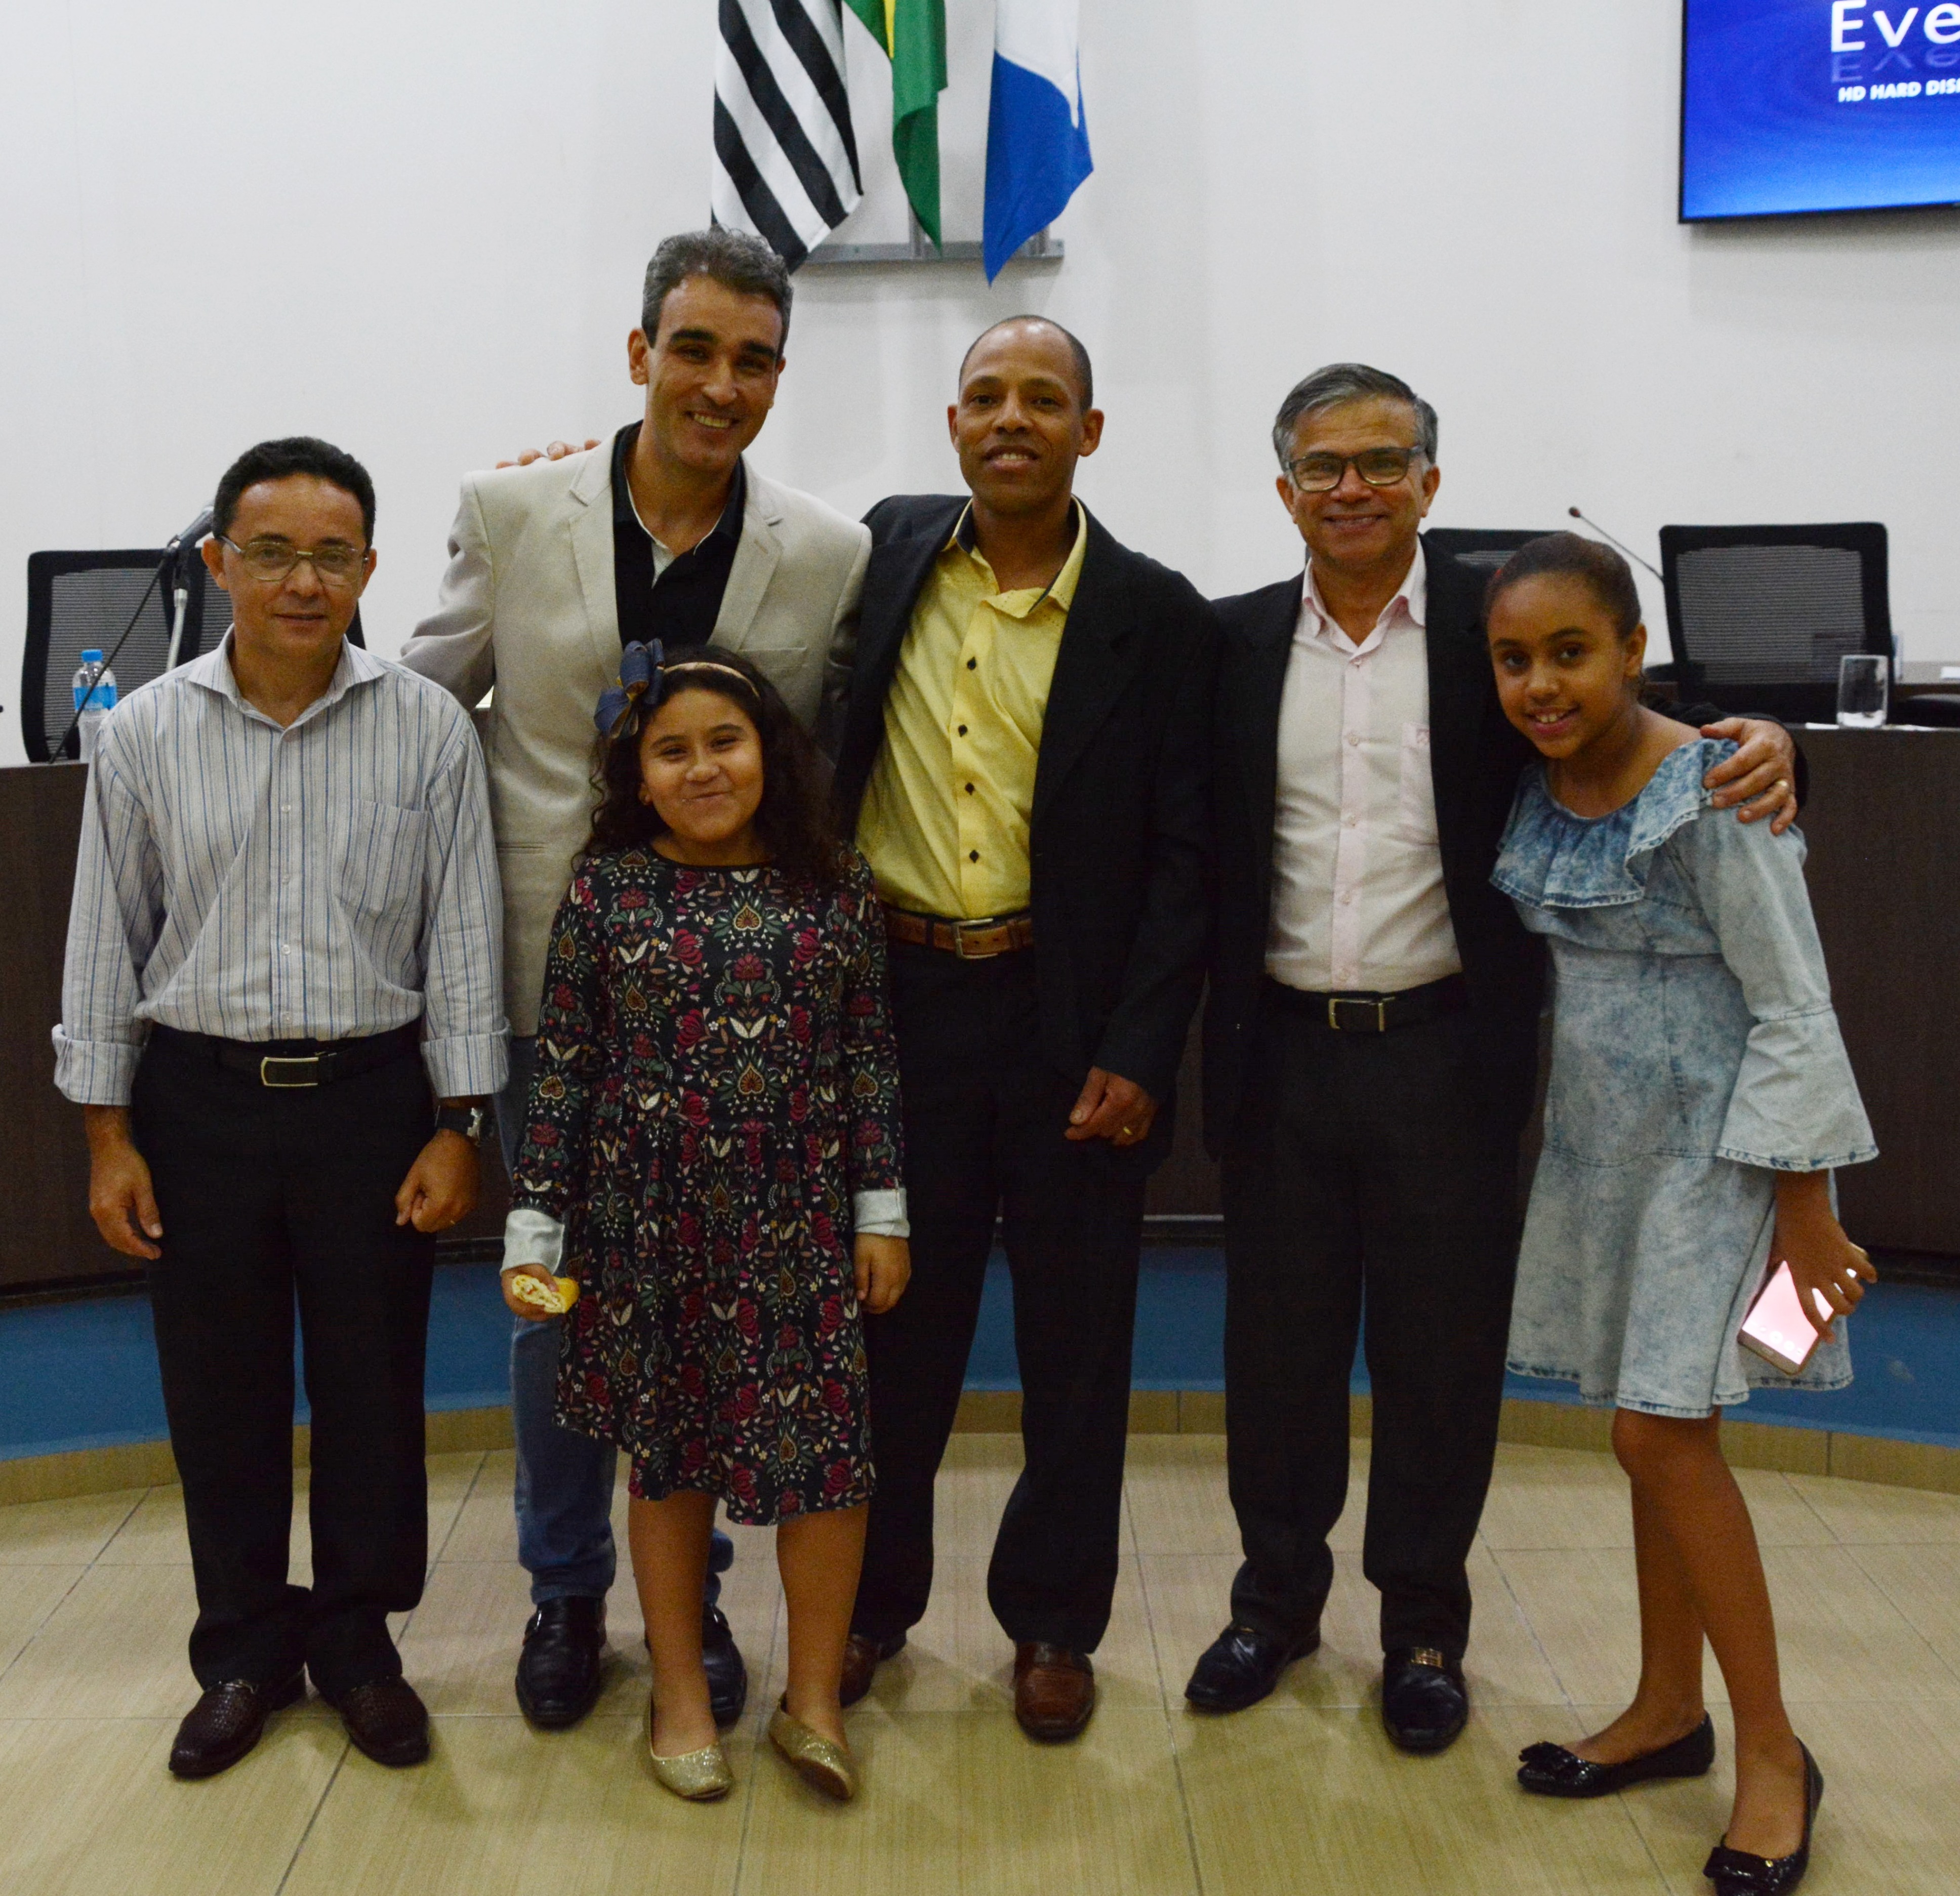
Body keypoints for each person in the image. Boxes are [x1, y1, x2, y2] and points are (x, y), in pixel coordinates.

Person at [1192, 363, 1805, 1754]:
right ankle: (1274, 1605)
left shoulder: (1499, 636)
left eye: (1383, 461)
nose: (1353, 487)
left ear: (1431, 481)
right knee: (1277, 1358)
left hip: (1445, 1054)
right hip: (1275, 1055)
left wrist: (1774, 746)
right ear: (1283, 489)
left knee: (1439, 1359)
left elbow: (1645, 729)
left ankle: (1424, 1628)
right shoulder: (1225, 643)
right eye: (1324, 465)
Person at [398, 228, 871, 1733]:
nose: (720, 384)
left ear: (777, 378)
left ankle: (695, 1598)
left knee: (709, 1313)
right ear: (639, 353)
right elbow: (419, 710)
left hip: (731, 1017)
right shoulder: (510, 508)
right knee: (556, 1303)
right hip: (552, 982)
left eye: (753, 360)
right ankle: (564, 1590)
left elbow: (808, 773)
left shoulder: (829, 552)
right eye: (694, 349)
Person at [55, 436, 507, 1778]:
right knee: (221, 1391)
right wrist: (107, 1136)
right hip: (198, 1104)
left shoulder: (428, 726)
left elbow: (463, 938)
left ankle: (360, 1644)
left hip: (373, 1103)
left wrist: (460, 1122)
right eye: (271, 553)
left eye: (331, 555)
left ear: (368, 567)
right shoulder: (143, 732)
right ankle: (244, 1649)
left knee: (373, 1386)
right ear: (219, 562)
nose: (303, 581)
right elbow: (105, 940)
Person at [829, 316, 1215, 1742]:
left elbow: (1189, 858)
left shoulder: (1156, 615)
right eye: (985, 396)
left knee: (1077, 1344)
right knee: (894, 1331)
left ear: (1089, 432)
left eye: (1043, 399)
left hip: (1073, 1026)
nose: (1011, 419)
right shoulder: (879, 557)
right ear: (952, 425)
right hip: (900, 1007)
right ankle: (868, 1603)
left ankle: (1054, 1622)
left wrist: (1140, 1045)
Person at [1486, 533, 1874, 1894]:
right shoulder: (1534, 782)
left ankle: (1772, 1749)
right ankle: (1665, 1707)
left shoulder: (1714, 786)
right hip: (1605, 1157)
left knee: (1661, 1431)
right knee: (1650, 1433)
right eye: (1513, 660)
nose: (1541, 683)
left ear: (1635, 650)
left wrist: (1807, 1218)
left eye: (1569, 652)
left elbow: (1793, 1003)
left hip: (1731, 1160)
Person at [502, 643, 908, 1802]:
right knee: (668, 1461)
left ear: (769, 752)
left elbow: (870, 1060)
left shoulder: (835, 885)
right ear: (637, 776)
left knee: (827, 1467)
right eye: (670, 750)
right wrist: (536, 1233)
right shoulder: (605, 890)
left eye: (724, 741)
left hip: (801, 1232)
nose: (701, 768)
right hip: (647, 1232)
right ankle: (679, 1693)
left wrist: (882, 1214)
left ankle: (813, 1702)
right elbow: (565, 1069)